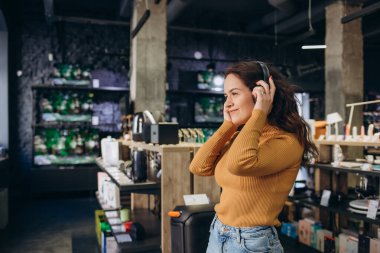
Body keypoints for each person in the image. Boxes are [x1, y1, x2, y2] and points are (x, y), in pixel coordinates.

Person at [189, 61, 318, 253]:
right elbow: (198, 167)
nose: (227, 103)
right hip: (219, 232)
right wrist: (228, 125)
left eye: (234, 94)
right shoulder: (243, 136)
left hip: (252, 242)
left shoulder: (287, 141)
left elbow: (239, 164)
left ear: (260, 93)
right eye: (226, 96)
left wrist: (260, 112)